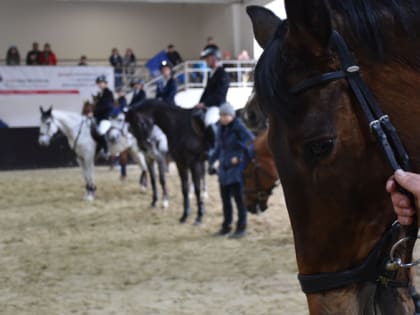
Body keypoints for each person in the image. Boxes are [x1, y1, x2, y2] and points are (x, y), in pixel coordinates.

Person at [208, 102, 255, 238]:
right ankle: (226, 226)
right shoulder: (220, 129)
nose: (222, 118)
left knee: (239, 200)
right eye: (221, 115)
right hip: (223, 170)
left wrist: (240, 157)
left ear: (232, 116)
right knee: (225, 200)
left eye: (225, 115)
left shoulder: (239, 127)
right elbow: (218, 148)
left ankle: (242, 227)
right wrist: (211, 162)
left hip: (237, 170)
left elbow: (251, 143)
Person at [194, 46, 230, 140]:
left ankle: (216, 147)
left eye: (207, 58)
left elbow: (220, 94)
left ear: (214, 57)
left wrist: (205, 103)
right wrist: (200, 103)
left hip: (217, 106)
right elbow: (206, 92)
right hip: (208, 105)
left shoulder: (222, 73)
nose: (206, 61)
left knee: (209, 121)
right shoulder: (211, 73)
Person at [92, 75, 114, 158]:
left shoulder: (108, 93)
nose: (100, 85)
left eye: (102, 83)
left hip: (106, 118)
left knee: (101, 131)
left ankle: (106, 150)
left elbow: (107, 106)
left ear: (105, 84)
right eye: (99, 83)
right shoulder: (99, 94)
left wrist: (95, 111)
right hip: (98, 118)